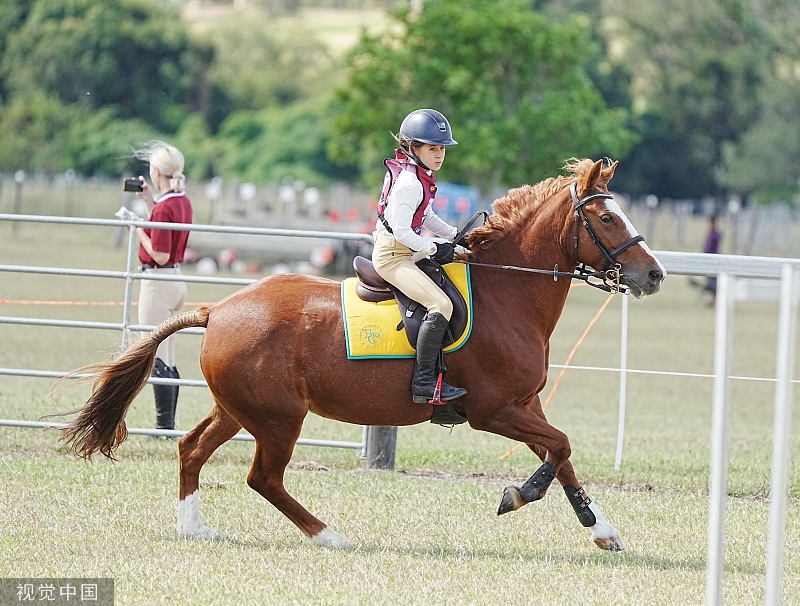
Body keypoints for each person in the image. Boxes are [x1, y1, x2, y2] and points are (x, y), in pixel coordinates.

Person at [372, 109, 469, 405]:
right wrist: (434, 248)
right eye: (432, 148)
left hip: (408, 252)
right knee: (439, 304)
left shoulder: (420, 176)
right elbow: (402, 231)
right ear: (412, 148)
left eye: (441, 148)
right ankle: (425, 384)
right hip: (393, 257)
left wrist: (456, 236)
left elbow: (425, 216)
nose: (439, 155)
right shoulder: (409, 184)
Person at [132, 142, 193, 431]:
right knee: (168, 356)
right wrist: (148, 203)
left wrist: (136, 229)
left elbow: (159, 253)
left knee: (155, 354)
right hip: (176, 280)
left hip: (158, 280)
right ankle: (166, 425)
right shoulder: (181, 200)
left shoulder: (165, 207)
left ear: (156, 172)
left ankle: (163, 425)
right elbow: (164, 225)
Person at [703, 215, 723, 305]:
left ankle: (713, 299)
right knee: (710, 280)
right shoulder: (711, 234)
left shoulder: (715, 234)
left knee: (713, 280)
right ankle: (712, 299)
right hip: (707, 260)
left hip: (713, 259)